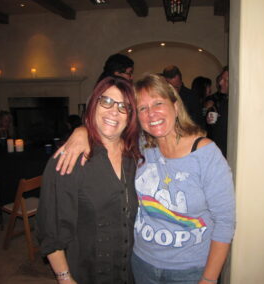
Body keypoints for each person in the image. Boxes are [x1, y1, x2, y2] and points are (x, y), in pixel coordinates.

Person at [54, 74, 236, 284]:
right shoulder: (140, 146)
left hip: (189, 270)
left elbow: (225, 222)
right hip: (141, 264)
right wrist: (82, 130)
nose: (151, 114)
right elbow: (107, 132)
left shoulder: (205, 154)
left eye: (158, 103)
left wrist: (209, 278)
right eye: (142, 108)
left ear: (175, 107)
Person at [36, 76, 143, 284]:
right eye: (107, 101)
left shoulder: (135, 155)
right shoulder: (70, 159)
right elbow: (51, 230)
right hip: (88, 274)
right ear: (94, 104)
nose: (114, 111)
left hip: (129, 272)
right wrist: (65, 278)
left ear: (130, 116)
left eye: (124, 106)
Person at [208, 67, 229, 157]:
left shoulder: (238, 103)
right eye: (221, 79)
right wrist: (211, 122)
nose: (220, 83)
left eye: (225, 80)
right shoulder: (225, 101)